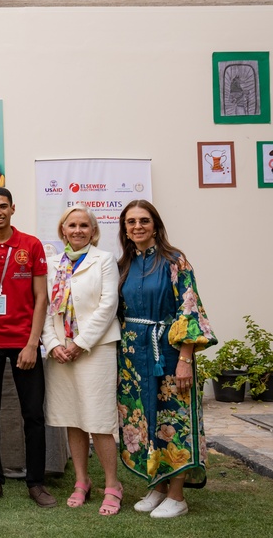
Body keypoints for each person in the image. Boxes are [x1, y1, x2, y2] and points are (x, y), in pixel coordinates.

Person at [116, 200, 217, 518]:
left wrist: (185, 358)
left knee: (174, 420)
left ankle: (177, 494)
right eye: (130, 222)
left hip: (169, 354)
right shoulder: (126, 264)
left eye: (143, 220)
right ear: (125, 229)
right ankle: (157, 486)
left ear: (156, 225)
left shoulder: (175, 261)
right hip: (133, 358)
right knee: (145, 420)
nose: (137, 226)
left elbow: (189, 308)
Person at [0, 188, 55, 508]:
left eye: (2, 206)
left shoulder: (31, 245)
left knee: (33, 415)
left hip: (24, 343)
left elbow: (41, 298)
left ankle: (36, 482)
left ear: (12, 208)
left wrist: (33, 344)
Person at [42, 206, 122, 516]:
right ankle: (82, 480)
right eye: (71, 225)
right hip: (61, 353)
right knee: (73, 417)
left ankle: (113, 485)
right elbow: (46, 307)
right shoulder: (53, 265)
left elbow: (108, 305)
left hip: (95, 350)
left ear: (93, 230)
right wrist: (52, 344)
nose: (77, 230)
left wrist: (81, 343)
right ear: (63, 230)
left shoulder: (104, 260)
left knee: (99, 420)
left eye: (83, 226)